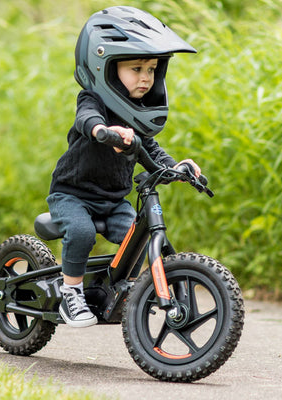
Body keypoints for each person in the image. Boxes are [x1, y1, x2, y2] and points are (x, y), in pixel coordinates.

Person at [48, 6, 201, 328]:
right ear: (106, 66)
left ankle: (118, 288)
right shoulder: (93, 100)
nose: (146, 77)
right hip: (73, 195)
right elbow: (86, 119)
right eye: (136, 68)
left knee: (136, 236)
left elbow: (152, 148)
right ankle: (71, 291)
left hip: (113, 200)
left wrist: (178, 167)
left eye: (152, 69)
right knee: (80, 232)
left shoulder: (137, 112)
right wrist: (103, 132)